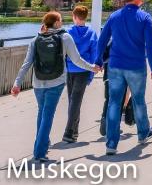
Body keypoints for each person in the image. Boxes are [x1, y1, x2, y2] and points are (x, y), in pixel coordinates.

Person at [11, 11, 100, 163]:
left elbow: (27, 64)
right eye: (60, 20)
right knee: (47, 115)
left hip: (38, 82)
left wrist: (17, 83)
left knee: (42, 112)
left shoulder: (35, 39)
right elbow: (77, 59)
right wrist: (92, 68)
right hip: (56, 82)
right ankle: (39, 152)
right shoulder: (65, 37)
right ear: (57, 23)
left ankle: (43, 145)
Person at [96, 0, 152, 156]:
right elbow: (151, 44)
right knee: (138, 100)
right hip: (136, 66)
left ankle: (111, 144)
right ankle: (143, 133)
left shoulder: (114, 16)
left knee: (114, 103)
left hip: (115, 66)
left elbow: (102, 40)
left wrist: (98, 60)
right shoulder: (144, 17)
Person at [61, 4, 98, 144]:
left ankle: (69, 132)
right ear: (85, 17)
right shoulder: (92, 33)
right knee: (76, 101)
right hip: (84, 70)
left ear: (74, 17)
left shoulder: (68, 32)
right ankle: (72, 132)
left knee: (73, 101)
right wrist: (91, 74)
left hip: (70, 70)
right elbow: (94, 54)